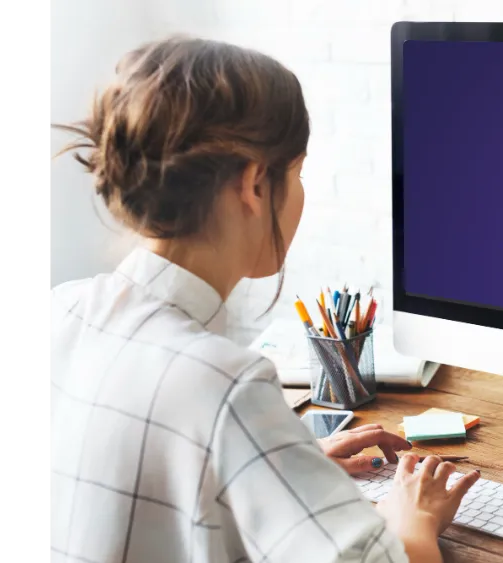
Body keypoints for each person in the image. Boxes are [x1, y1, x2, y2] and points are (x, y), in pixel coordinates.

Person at [43, 36, 479, 563]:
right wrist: (416, 518)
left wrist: (281, 463)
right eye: (296, 173)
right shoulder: (226, 384)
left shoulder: (59, 311)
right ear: (253, 183)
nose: (299, 194)